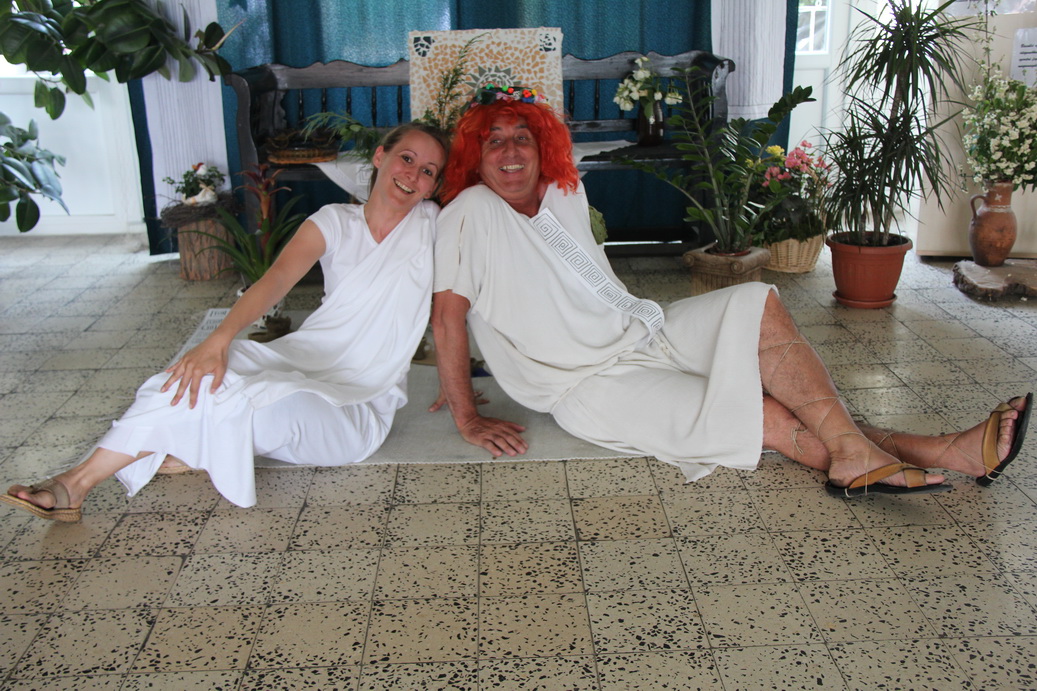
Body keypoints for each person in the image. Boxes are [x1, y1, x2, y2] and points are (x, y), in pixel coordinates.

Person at [428, 86, 1032, 498]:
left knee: (756, 302)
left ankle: (865, 453)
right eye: (494, 140)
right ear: (475, 156)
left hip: (646, 328)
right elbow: (448, 320)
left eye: (523, 137)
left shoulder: (564, 189)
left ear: (543, 146)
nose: (510, 151)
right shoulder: (470, 212)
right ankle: (944, 451)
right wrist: (466, 416)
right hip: (587, 382)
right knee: (760, 410)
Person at [2, 122, 450, 521]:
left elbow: (455, 306)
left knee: (257, 402)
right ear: (380, 157)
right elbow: (275, 281)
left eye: (428, 170)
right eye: (407, 158)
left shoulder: (435, 225)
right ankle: (74, 485)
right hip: (306, 357)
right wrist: (218, 340)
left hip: (358, 408)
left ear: (433, 187)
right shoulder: (334, 221)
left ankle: (189, 444)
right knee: (190, 376)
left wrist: (458, 384)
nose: (413, 174)